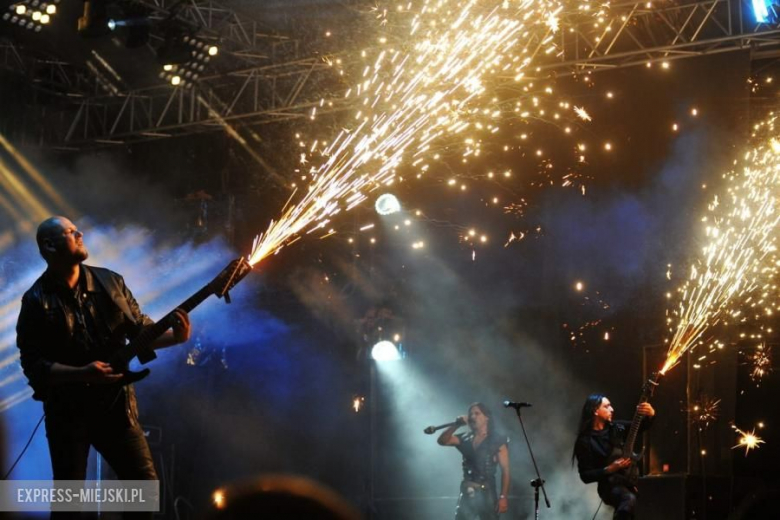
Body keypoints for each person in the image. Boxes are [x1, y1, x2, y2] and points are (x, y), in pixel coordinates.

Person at [16, 216, 192, 517]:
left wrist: (177, 337)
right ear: (49, 245)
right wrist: (81, 374)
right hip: (68, 414)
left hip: (115, 408)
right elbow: (33, 364)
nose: (81, 234)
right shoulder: (35, 299)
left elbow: (141, 331)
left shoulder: (111, 282)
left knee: (142, 491)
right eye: (72, 232)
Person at [572, 394, 655, 520]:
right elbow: (585, 476)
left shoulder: (617, 427)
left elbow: (641, 426)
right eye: (607, 406)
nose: (612, 409)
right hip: (609, 486)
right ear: (595, 411)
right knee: (628, 499)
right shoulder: (585, 441)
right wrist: (610, 469)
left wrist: (651, 414)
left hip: (629, 480)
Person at [437, 403, 510, 519]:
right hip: (467, 493)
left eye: (477, 413)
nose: (473, 416)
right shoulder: (465, 438)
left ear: (487, 417)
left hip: (487, 493)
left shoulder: (497, 440)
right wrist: (456, 425)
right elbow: (442, 441)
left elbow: (505, 470)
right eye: (471, 414)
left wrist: (503, 497)